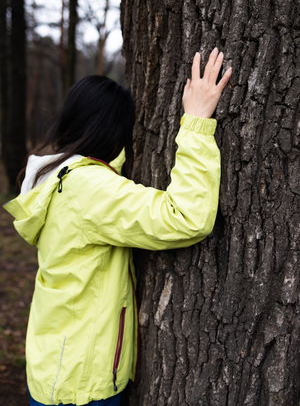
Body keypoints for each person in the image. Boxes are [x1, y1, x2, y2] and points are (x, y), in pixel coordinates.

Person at [3, 48, 232, 406]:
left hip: (58, 367)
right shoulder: (90, 190)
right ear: (115, 133)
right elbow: (186, 217)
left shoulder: (58, 176)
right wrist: (197, 122)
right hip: (82, 386)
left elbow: (106, 185)